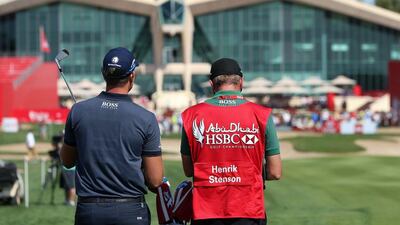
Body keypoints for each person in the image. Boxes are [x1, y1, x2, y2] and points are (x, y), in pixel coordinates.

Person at [60, 47, 164, 225]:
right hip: (130, 211)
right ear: (132, 76)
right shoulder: (146, 118)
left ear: (103, 74)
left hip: (89, 211)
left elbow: (67, 161)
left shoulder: (78, 111)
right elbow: (155, 181)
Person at [180, 58, 282, 225]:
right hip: (249, 209)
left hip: (206, 211)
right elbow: (275, 172)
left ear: (212, 84)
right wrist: (248, 173)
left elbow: (189, 169)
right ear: (241, 82)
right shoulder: (261, 114)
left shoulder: (191, 115)